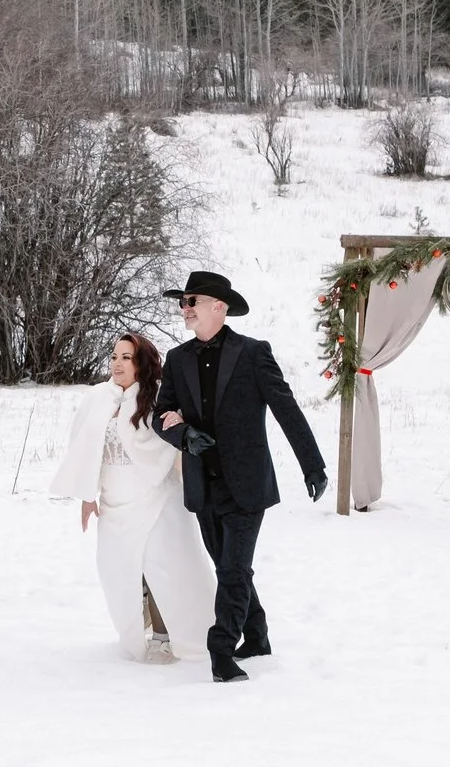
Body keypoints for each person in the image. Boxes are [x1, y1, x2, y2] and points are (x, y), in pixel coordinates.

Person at [151, 269, 328, 683]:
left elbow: (286, 409)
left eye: (191, 301)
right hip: (202, 484)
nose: (185, 310)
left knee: (233, 569)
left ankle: (221, 650)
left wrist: (313, 464)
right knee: (229, 567)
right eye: (182, 303)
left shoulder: (253, 353)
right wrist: (184, 434)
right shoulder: (177, 360)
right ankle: (257, 633)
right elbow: (160, 416)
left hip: (247, 483)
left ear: (219, 306)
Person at [47, 333, 217, 664]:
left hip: (157, 495)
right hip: (115, 500)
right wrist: (87, 495)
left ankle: (165, 637)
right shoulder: (98, 398)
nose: (117, 363)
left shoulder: (158, 398)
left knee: (162, 567)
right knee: (120, 569)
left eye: (126, 357)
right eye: (114, 356)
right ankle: (138, 619)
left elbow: (172, 445)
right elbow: (87, 448)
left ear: (142, 363)